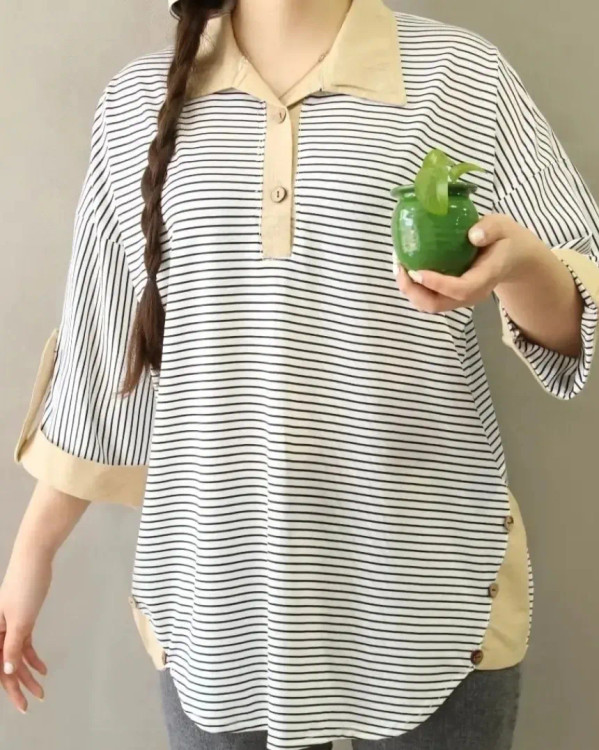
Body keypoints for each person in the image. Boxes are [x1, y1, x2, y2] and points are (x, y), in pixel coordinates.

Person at [2, 0, 599, 748]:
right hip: (219, 604)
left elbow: (579, 309)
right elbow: (103, 350)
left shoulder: (461, 75)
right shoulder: (136, 102)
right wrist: (32, 554)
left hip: (431, 596)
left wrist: (522, 267)